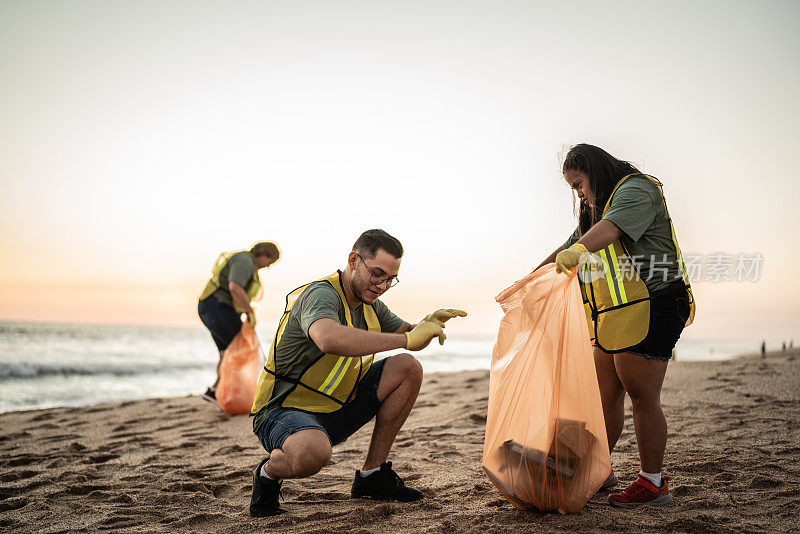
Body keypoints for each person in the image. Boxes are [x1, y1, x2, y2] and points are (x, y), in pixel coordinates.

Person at [248, 229, 466, 517]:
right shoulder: (321, 295)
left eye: (390, 279)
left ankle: (372, 476)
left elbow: (410, 336)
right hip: (283, 410)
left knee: (407, 367)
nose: (383, 285)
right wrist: (407, 340)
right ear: (354, 260)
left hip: (336, 408)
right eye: (377, 273)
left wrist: (426, 325)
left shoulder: (371, 304)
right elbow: (329, 338)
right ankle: (267, 474)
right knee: (312, 453)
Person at [534, 144, 696, 508]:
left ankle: (653, 483)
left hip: (658, 301)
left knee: (641, 394)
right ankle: (600, 468)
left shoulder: (636, 190)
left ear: (595, 172)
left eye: (580, 184)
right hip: (620, 310)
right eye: (574, 188)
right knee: (604, 390)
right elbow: (569, 247)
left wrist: (576, 252)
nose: (579, 194)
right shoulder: (595, 213)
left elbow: (606, 232)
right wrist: (530, 281)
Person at [198, 242, 281, 403]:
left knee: (227, 351)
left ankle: (215, 391)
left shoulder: (247, 262)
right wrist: (249, 311)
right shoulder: (244, 261)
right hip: (217, 306)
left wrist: (245, 311)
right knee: (241, 349)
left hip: (214, 307)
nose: (268, 267)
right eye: (270, 262)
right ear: (263, 255)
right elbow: (235, 287)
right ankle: (228, 394)